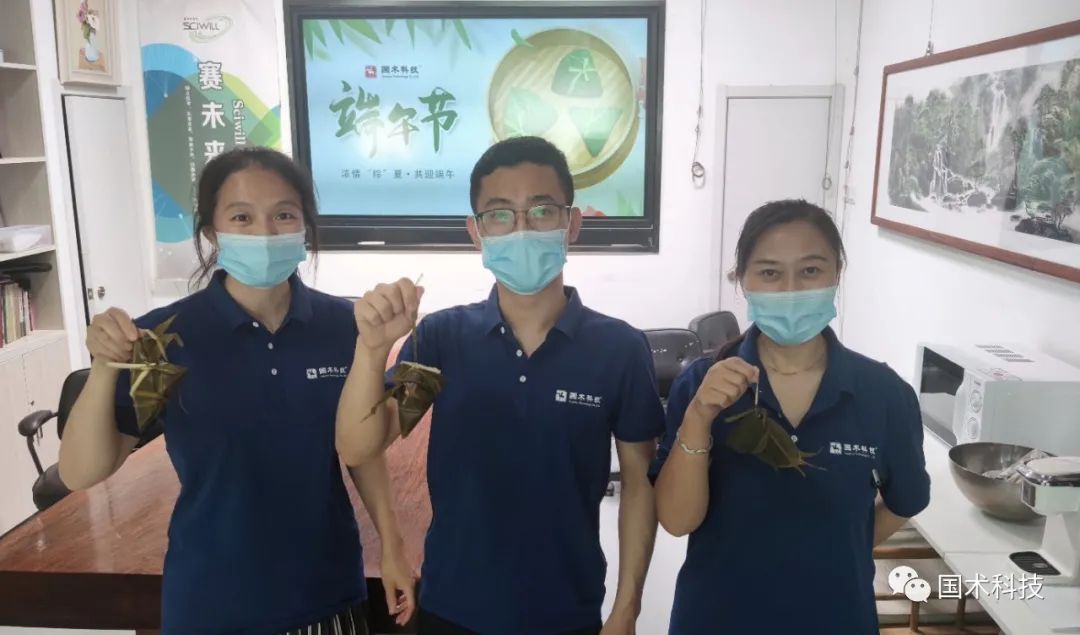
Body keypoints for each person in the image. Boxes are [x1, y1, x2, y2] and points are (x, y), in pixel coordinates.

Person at [58, 147, 416, 635]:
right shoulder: (165, 338)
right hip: (211, 599)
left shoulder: (344, 327)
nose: (264, 233)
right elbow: (81, 472)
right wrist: (104, 367)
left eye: (283, 215)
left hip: (325, 591)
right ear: (212, 232)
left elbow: (360, 451)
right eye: (242, 217)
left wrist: (392, 544)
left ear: (305, 226)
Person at [335, 136, 666, 635]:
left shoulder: (619, 349)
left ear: (572, 224)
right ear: (476, 232)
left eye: (542, 210)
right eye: (500, 214)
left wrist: (626, 609)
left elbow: (639, 484)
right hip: (453, 608)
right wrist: (371, 348)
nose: (522, 228)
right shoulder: (441, 339)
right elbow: (361, 445)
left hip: (567, 610)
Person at [652, 199, 930, 634]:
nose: (791, 289)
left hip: (836, 618)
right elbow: (676, 520)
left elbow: (905, 501)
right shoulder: (702, 385)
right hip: (717, 618)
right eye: (769, 273)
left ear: (837, 273)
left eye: (810, 270)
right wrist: (699, 418)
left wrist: (830, 549)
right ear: (741, 281)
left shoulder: (883, 394)